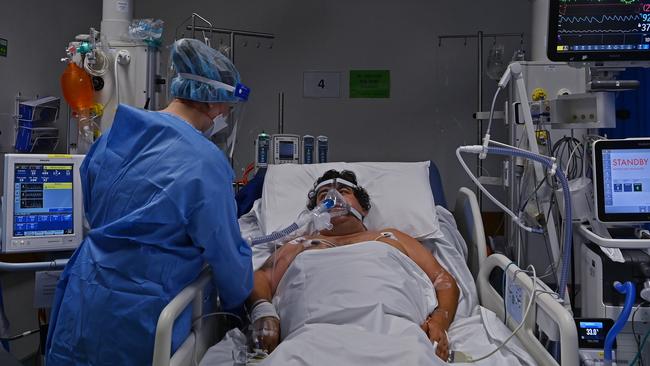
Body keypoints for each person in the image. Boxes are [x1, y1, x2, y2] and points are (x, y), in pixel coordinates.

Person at [45, 38, 253, 366]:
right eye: (226, 105)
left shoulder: (116, 133)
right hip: (141, 313)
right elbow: (224, 251)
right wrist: (244, 299)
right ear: (213, 102)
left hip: (85, 293)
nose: (225, 114)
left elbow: (92, 202)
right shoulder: (205, 162)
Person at [247, 170, 460, 362]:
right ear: (316, 211)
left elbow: (443, 280)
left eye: (343, 191)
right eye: (323, 196)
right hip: (311, 334)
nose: (333, 198)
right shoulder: (300, 243)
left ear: (364, 208)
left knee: (413, 355)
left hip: (396, 333)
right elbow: (262, 278)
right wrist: (264, 312)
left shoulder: (391, 236)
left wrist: (439, 322)